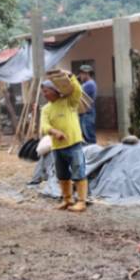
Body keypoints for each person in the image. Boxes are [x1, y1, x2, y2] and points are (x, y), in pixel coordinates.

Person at [40, 72, 88, 212]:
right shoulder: (46, 109)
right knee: (62, 174)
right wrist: (55, 132)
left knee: (79, 171)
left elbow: (78, 90)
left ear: (54, 90)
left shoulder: (69, 101)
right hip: (57, 146)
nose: (45, 94)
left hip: (73, 144)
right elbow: (44, 126)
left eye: (46, 91)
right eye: (43, 91)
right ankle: (67, 200)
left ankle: (81, 202)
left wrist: (71, 76)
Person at [76, 64, 97, 145]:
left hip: (88, 114)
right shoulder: (86, 84)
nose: (80, 76)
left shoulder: (90, 84)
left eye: (81, 73)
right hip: (85, 114)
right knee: (85, 138)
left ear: (87, 74)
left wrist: (74, 80)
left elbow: (76, 92)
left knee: (89, 138)